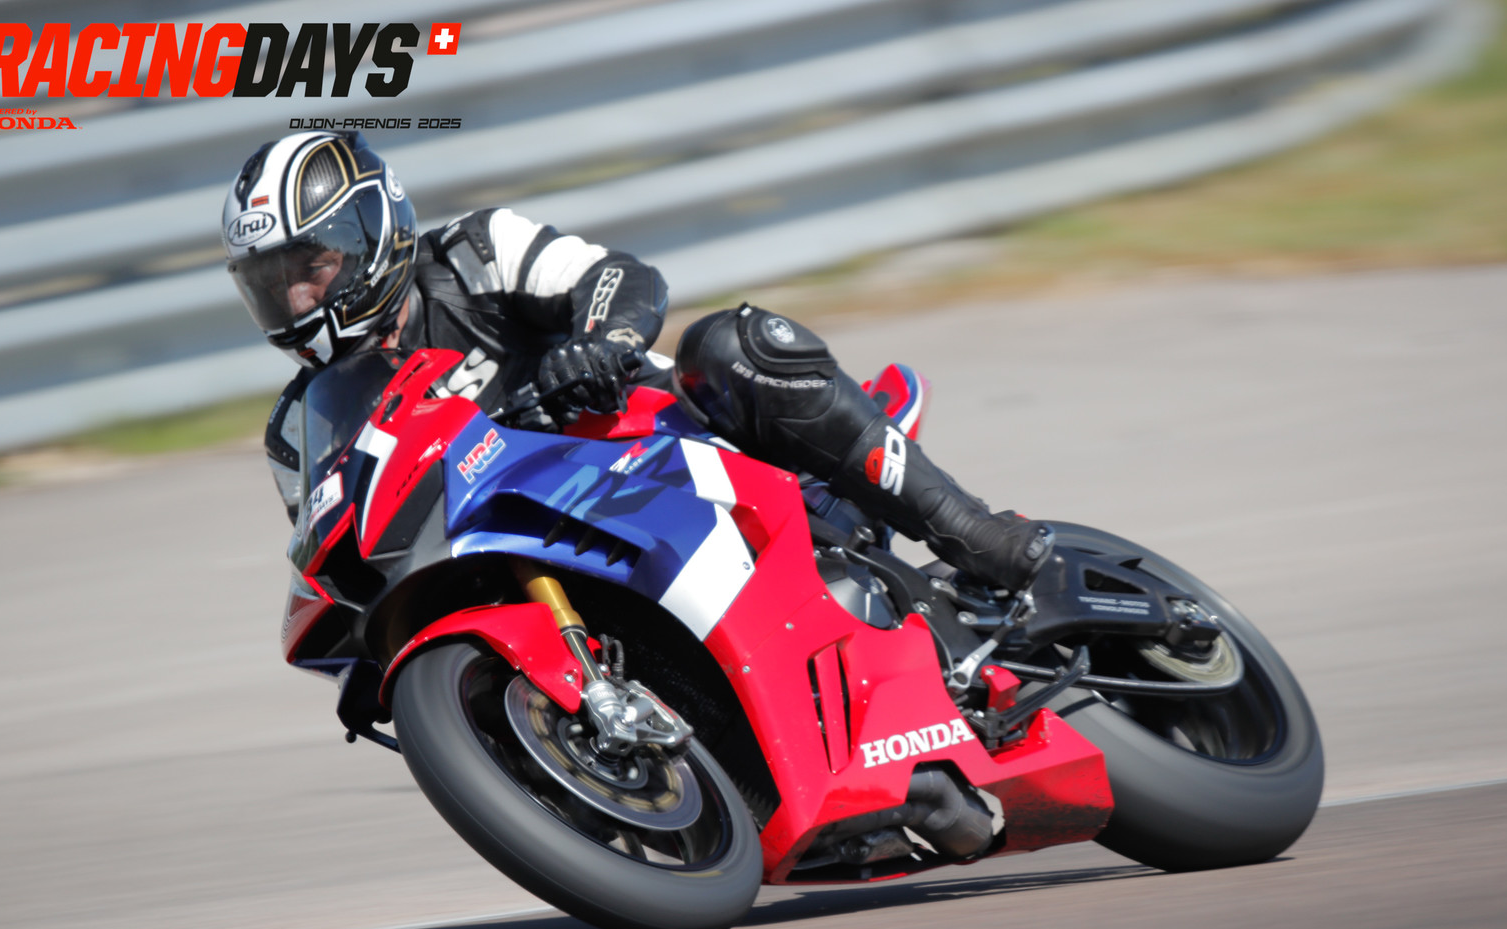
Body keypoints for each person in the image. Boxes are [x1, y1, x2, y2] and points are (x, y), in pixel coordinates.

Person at [222, 132, 1053, 593]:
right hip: (543, 561)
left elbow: (620, 278)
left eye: (310, 268)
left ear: (371, 233)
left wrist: (602, 342)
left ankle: (972, 531)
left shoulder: (474, 253)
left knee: (729, 345)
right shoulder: (302, 428)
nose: (295, 299)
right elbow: (338, 552)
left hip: (659, 451)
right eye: (271, 284)